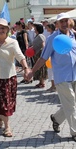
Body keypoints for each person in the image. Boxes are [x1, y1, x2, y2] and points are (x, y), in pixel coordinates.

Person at [27, 12, 76, 141]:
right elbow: (43, 57)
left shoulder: (73, 35)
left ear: (69, 22)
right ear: (57, 24)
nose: (64, 23)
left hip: (75, 75)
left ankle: (56, 118)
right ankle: (75, 132)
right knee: (71, 103)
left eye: (66, 21)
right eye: (62, 22)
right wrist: (32, 72)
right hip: (62, 76)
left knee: (71, 103)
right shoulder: (53, 39)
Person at [32, 22, 47, 88]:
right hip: (36, 53)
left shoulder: (41, 36)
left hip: (40, 54)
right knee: (38, 68)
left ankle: (42, 82)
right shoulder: (37, 35)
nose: (34, 29)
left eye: (35, 28)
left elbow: (43, 44)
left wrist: (44, 53)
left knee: (41, 68)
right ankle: (40, 81)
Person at [45, 23, 56, 92]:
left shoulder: (53, 35)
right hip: (50, 55)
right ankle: (53, 85)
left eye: (47, 27)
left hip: (52, 55)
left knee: (52, 71)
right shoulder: (51, 35)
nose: (46, 29)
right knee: (50, 71)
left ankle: (54, 86)